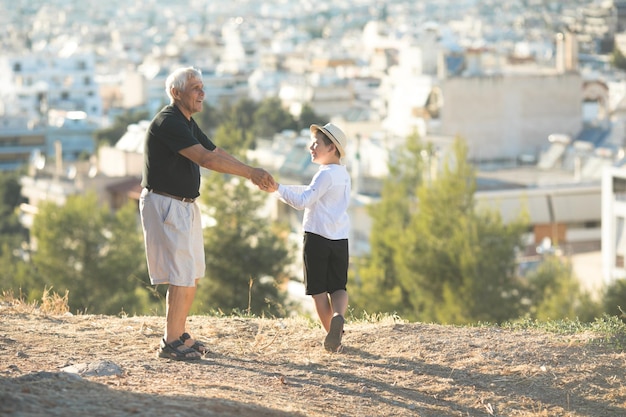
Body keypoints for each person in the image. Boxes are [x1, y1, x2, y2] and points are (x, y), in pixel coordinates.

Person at [140, 66, 274, 361]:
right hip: (167, 203)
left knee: (191, 274)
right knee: (181, 274)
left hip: (183, 204)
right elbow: (205, 159)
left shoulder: (184, 121)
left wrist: (252, 173)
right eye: (195, 88)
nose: (202, 93)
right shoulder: (168, 121)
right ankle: (170, 340)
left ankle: (180, 332)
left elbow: (216, 151)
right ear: (176, 93)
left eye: (202, 87)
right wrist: (250, 173)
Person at [267, 123, 351, 352]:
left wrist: (277, 190)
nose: (311, 147)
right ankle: (338, 316)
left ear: (331, 147)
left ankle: (333, 339)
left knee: (318, 291)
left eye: (316, 143)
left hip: (317, 237)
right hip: (340, 238)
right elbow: (312, 190)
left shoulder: (324, 174)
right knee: (338, 287)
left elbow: (303, 200)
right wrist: (280, 186)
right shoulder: (343, 174)